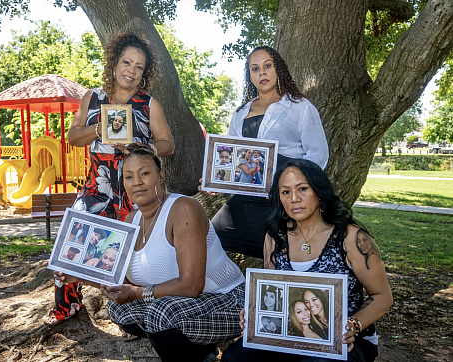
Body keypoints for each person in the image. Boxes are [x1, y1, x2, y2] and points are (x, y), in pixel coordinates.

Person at [43, 32, 175, 326]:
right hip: (97, 186)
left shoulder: (148, 104)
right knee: (73, 240)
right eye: (127, 62)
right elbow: (73, 136)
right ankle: (68, 304)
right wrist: (98, 130)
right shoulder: (92, 98)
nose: (131, 70)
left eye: (139, 66)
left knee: (129, 253)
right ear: (114, 64)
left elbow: (168, 144)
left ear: (145, 72)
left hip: (136, 188)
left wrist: (146, 148)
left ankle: (129, 317)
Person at [221, 159, 393, 361]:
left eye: (302, 189)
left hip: (345, 339)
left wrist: (352, 326)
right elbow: (274, 291)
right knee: (234, 358)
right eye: (285, 192)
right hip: (287, 334)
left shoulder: (350, 237)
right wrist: (256, 312)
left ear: (319, 192)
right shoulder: (275, 236)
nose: (294, 198)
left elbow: (383, 296)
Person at [98, 144, 246, 362]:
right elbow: (129, 281)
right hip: (181, 304)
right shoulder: (131, 220)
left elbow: (191, 286)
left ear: (161, 177)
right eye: (128, 177)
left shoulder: (184, 208)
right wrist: (76, 274)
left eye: (145, 173)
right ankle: (200, 352)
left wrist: (138, 293)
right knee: (120, 310)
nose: (136, 182)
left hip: (227, 299)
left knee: (160, 313)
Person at [211, 45, 329, 258]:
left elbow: (318, 155)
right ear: (250, 76)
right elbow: (232, 155)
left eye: (267, 66)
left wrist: (296, 190)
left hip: (283, 199)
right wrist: (216, 179)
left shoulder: (300, 106)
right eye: (255, 69)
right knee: (210, 238)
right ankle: (227, 287)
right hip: (247, 197)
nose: (262, 72)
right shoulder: (240, 113)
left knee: (282, 256)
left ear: (278, 69)